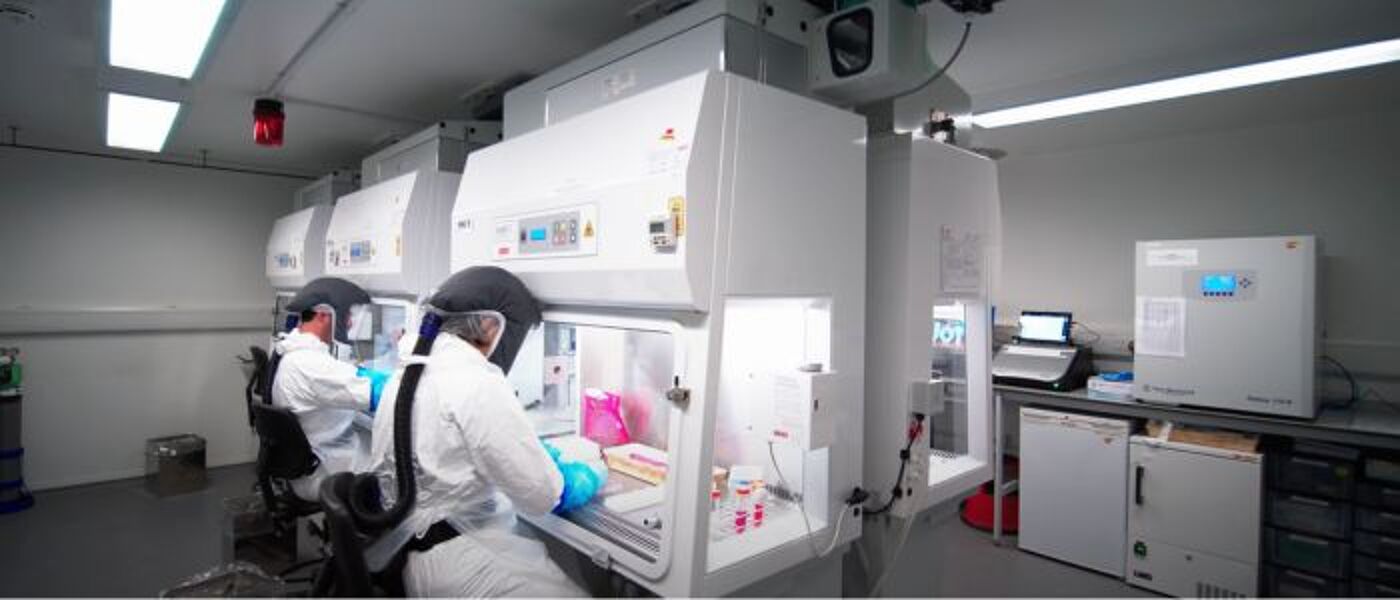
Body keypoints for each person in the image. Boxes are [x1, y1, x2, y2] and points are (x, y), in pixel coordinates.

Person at [363, 266, 605, 597]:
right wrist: (587, 475)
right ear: (491, 326)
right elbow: (542, 495)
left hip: (417, 555)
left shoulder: (410, 370)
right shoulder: (476, 381)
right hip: (463, 564)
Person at [271, 277, 390, 502]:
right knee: (399, 469)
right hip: (325, 473)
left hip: (308, 464)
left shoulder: (293, 352)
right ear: (324, 315)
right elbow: (379, 391)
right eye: (348, 316)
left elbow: (338, 377)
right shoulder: (309, 363)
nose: (350, 324)